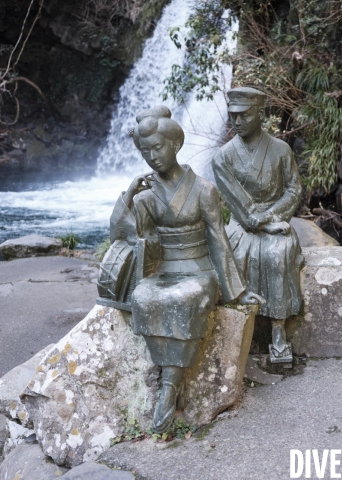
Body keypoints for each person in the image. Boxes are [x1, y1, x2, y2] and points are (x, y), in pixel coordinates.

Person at [104, 106, 263, 433]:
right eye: (145, 152)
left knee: (186, 298)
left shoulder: (204, 190)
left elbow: (218, 239)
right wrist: (129, 196)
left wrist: (235, 289)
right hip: (163, 269)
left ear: (175, 145)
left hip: (199, 268)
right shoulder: (147, 198)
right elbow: (126, 236)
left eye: (158, 148)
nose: (152, 157)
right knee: (145, 296)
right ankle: (169, 378)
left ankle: (169, 385)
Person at [212, 87, 303, 364]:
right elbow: (240, 207)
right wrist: (260, 224)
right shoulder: (223, 158)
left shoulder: (280, 150)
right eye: (233, 116)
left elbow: (294, 190)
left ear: (259, 114)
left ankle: (278, 331)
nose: (237, 122)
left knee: (278, 255)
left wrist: (273, 218)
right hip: (242, 224)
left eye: (244, 116)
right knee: (234, 255)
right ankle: (239, 328)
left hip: (277, 218)